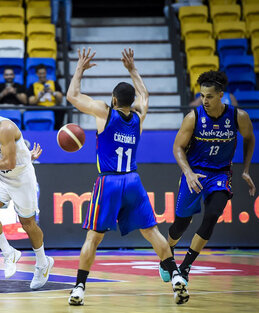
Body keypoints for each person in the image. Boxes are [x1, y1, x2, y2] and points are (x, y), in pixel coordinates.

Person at [66, 48, 189, 306]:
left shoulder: (104, 112)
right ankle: (175, 273)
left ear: (112, 99)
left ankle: (79, 287)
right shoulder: (137, 117)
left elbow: (72, 96)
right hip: (133, 180)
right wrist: (132, 69)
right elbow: (144, 94)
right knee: (152, 232)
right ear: (130, 101)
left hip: (108, 182)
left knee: (93, 238)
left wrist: (79, 68)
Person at [160, 70, 256, 285]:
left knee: (212, 216)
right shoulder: (193, 117)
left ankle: (184, 269)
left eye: (209, 96)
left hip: (220, 174)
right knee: (180, 225)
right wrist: (188, 172)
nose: (204, 100)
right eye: (202, 96)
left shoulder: (238, 116)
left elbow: (250, 138)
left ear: (221, 95)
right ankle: (168, 253)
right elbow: (177, 147)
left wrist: (246, 169)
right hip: (194, 173)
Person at [0, 91, 53, 290]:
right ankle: (8, 253)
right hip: (1, 177)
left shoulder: (5, 127)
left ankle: (42, 262)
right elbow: (5, 153)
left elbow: (9, 161)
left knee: (28, 223)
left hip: (22, 179)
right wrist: (26, 154)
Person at [27, 64, 64, 129]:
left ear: (46, 73)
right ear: (37, 74)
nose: (42, 75)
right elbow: (30, 101)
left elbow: (60, 99)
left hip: (53, 106)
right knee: (29, 109)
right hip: (39, 107)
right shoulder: (32, 86)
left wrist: (52, 92)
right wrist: (40, 95)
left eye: (43, 73)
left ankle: (57, 129)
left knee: (61, 108)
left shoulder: (54, 83)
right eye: (40, 73)